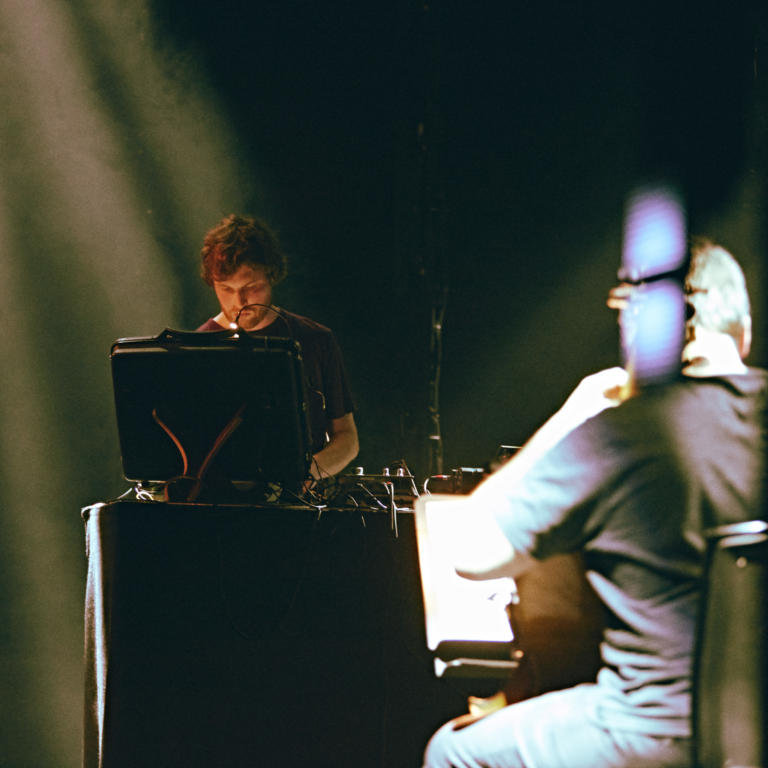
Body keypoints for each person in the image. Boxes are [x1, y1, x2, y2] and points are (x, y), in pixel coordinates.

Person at [423, 240, 766, 768]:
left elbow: (470, 552)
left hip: (648, 733)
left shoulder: (624, 432)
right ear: (743, 332)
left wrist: (576, 412)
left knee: (452, 752)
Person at [197, 213, 359, 482]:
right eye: (226, 289)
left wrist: (305, 476)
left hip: (300, 499)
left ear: (271, 276)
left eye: (251, 287)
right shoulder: (197, 348)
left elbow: (347, 438)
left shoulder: (315, 339)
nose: (239, 301)